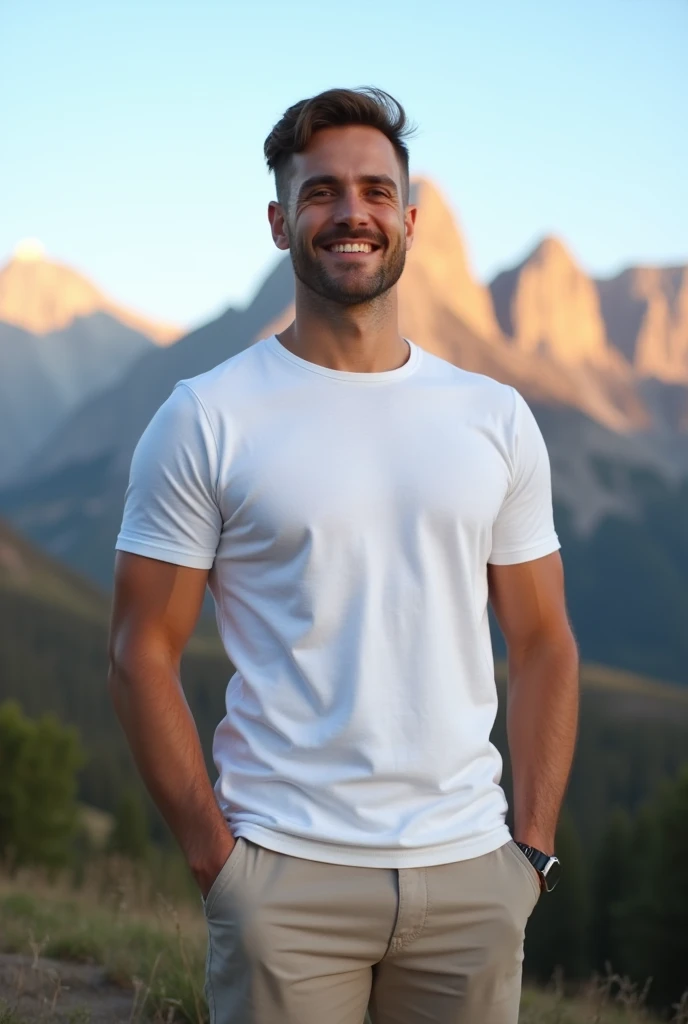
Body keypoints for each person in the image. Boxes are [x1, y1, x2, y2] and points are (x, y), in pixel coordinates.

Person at [108, 87, 579, 1024]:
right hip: (285, 877)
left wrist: (528, 855)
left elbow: (543, 644)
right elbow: (138, 651)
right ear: (282, 222)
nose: (349, 212)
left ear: (409, 219)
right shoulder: (205, 416)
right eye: (320, 192)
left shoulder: (494, 418)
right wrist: (219, 863)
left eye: (373, 190)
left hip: (471, 881)